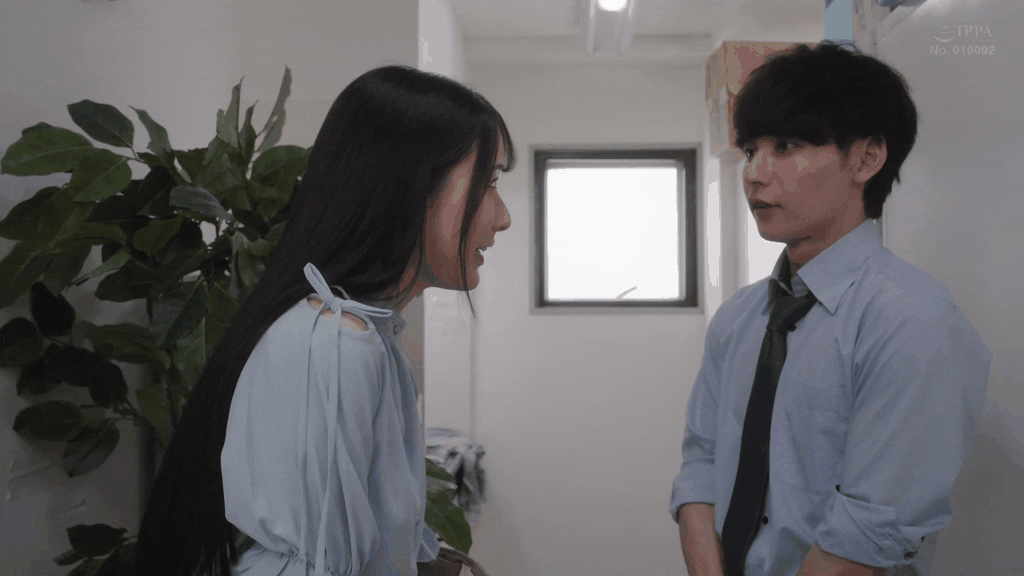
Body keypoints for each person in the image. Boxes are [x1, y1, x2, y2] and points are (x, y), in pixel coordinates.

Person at [135, 65, 514, 576]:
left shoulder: (367, 335)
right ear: (410, 185)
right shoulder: (336, 345)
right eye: (487, 183)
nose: (502, 216)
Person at [670, 42, 990, 576]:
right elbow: (701, 466)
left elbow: (866, 534)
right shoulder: (740, 317)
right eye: (749, 150)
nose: (754, 173)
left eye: (786, 146)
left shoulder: (913, 321)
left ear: (866, 158)